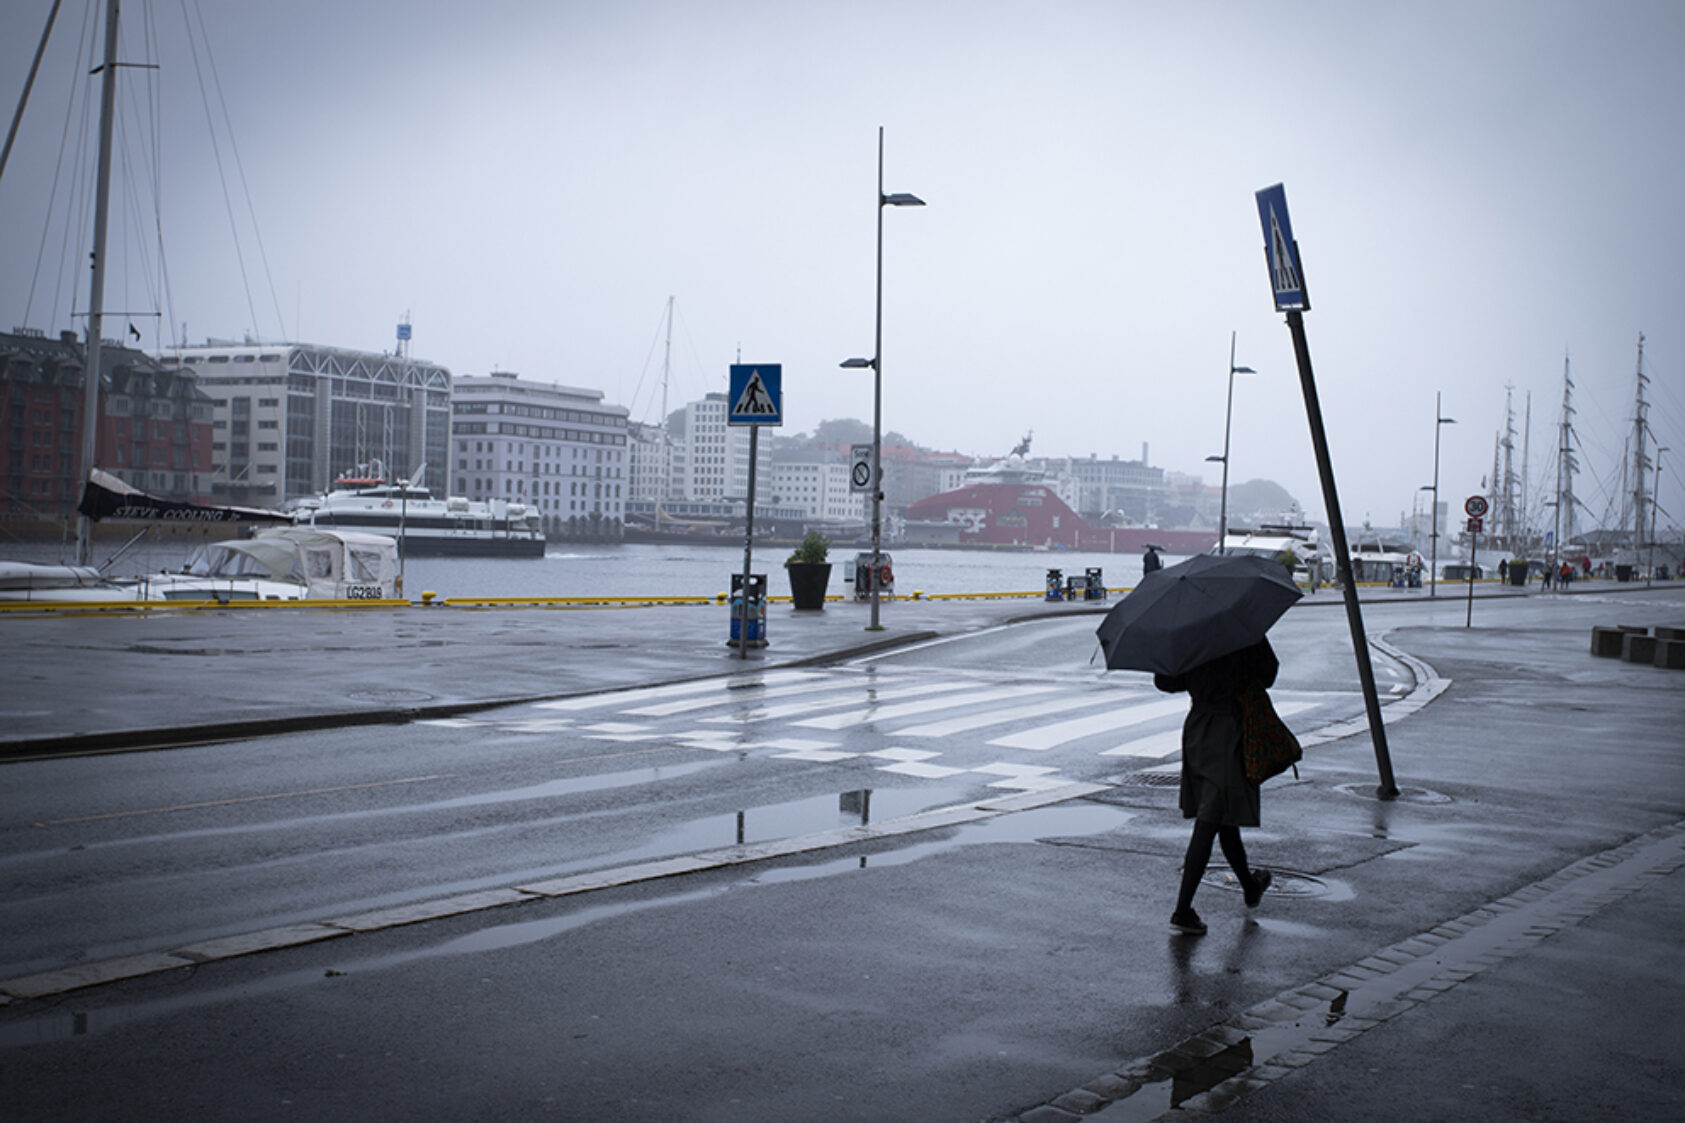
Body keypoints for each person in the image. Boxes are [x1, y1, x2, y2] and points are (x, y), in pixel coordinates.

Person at [1154, 638, 1277, 935]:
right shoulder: (1241, 632)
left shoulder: (1190, 633)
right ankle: (1183, 910)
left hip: (1198, 729)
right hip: (1229, 732)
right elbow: (1269, 673)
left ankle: (1250, 885)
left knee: (1221, 815)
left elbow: (1165, 681)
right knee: (1211, 820)